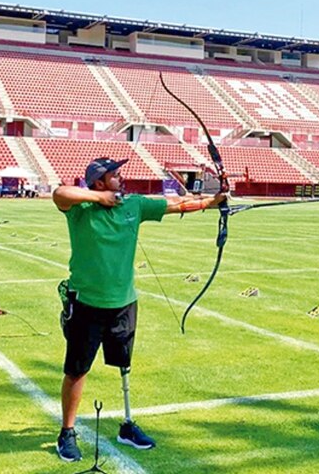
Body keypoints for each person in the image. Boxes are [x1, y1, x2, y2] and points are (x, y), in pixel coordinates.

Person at [52, 157, 225, 463]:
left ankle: (127, 426)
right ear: (99, 182)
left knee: (123, 364)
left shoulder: (133, 205)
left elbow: (175, 204)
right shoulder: (81, 210)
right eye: (114, 175)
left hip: (123, 302)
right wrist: (99, 198)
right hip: (87, 302)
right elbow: (59, 194)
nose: (121, 177)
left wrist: (213, 201)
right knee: (77, 371)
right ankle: (66, 432)